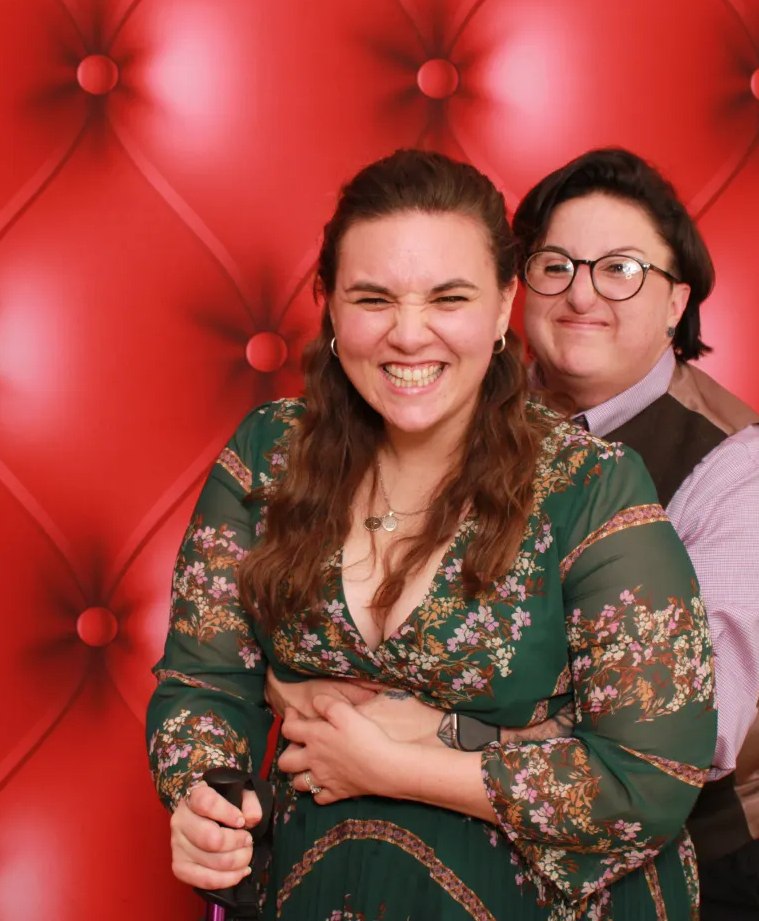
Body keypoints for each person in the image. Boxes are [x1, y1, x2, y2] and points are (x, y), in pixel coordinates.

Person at [145, 149, 718, 920]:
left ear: (504, 302)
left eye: (448, 297)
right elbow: (202, 684)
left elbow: (651, 779)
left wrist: (397, 766)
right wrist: (205, 803)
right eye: (373, 298)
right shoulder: (265, 456)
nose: (409, 336)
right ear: (329, 303)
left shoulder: (589, 487)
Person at [270, 147, 759, 919]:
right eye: (555, 265)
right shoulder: (450, 402)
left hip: (717, 847)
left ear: (677, 302)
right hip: (492, 835)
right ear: (511, 291)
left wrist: (442, 733)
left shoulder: (739, 477)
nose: (581, 294)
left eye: (622, 269)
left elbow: (688, 736)